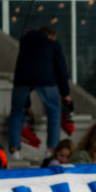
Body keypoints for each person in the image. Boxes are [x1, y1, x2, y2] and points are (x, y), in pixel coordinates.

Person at [8, 27, 71, 160]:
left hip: (22, 80)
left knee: (16, 112)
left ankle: (14, 150)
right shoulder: (52, 45)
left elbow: (22, 69)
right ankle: (51, 149)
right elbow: (61, 69)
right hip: (46, 79)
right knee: (54, 112)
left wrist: (27, 105)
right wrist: (65, 93)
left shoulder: (25, 43)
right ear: (49, 36)